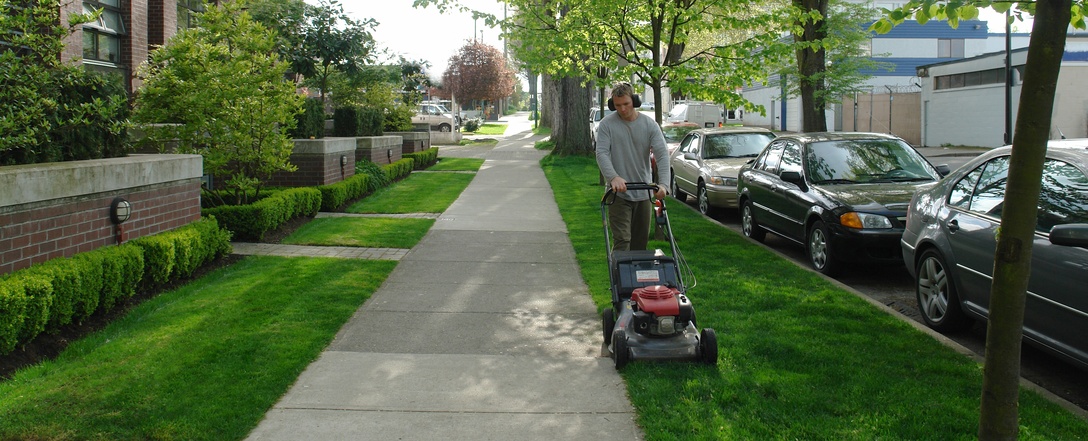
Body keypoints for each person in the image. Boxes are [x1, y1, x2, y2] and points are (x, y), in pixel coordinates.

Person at [595, 82, 670, 252]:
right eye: (618, 105)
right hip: (618, 195)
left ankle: (638, 277)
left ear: (635, 101)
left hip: (643, 193)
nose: (622, 109)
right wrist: (613, 177)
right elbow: (602, 153)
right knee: (622, 241)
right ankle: (619, 278)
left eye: (626, 104)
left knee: (640, 244)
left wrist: (664, 184)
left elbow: (662, 154)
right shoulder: (607, 124)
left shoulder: (649, 125)